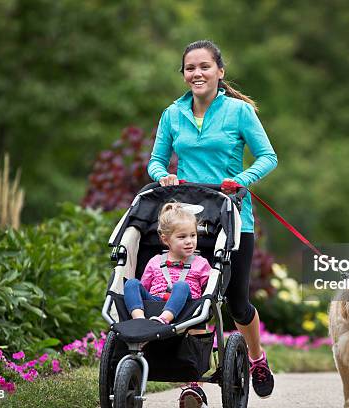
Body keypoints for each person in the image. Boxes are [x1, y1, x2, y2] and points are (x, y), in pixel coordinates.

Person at [148, 39, 277, 406]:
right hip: (189, 221)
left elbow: (268, 156)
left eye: (205, 66)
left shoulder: (238, 112)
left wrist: (243, 179)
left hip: (234, 215)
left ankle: (256, 359)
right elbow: (156, 161)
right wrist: (164, 177)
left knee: (236, 303)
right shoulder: (172, 114)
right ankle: (195, 379)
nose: (197, 73)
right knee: (194, 293)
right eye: (190, 68)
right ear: (184, 74)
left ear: (220, 72)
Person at [123, 202, 211, 325]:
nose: (189, 241)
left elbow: (209, 289)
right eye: (182, 237)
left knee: (181, 286)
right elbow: (144, 287)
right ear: (165, 239)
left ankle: (164, 320)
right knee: (131, 283)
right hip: (155, 302)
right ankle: (139, 320)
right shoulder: (155, 261)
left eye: (193, 235)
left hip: (186, 307)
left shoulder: (201, 263)